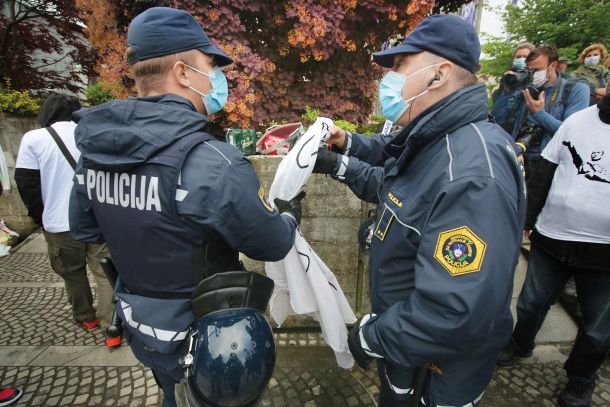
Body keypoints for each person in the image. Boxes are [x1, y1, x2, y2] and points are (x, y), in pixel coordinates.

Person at [68, 7, 302, 407]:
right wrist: (289, 214)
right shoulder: (214, 162)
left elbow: (85, 230)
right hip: (209, 339)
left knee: (169, 393)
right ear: (181, 72)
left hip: (142, 327)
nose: (216, 78)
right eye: (210, 65)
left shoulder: (93, 155)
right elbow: (272, 244)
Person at [313, 14, 525, 407]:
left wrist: (370, 337)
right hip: (407, 346)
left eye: (401, 65)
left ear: (438, 74)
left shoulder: (472, 173)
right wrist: (339, 160)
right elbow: (400, 189)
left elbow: (453, 311)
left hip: (440, 367)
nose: (388, 78)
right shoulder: (434, 137)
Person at [498, 81, 610, 407]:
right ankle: (520, 343)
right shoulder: (577, 122)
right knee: (531, 303)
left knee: (598, 328)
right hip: (553, 237)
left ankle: (580, 379)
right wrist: (527, 221)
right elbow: (544, 172)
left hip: (604, 253)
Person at [14, 93, 114, 332]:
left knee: (73, 273)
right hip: (97, 219)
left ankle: (85, 316)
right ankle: (111, 326)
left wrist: (41, 216)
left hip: (59, 223)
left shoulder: (34, 138)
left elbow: (26, 183)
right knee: (105, 273)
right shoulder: (93, 134)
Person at [492, 45, 589, 176]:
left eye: (537, 70)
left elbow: (572, 134)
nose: (533, 75)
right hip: (519, 160)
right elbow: (497, 119)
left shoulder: (576, 90)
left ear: (553, 65)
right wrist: (507, 90)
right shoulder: (526, 89)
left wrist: (539, 114)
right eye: (529, 70)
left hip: (549, 167)